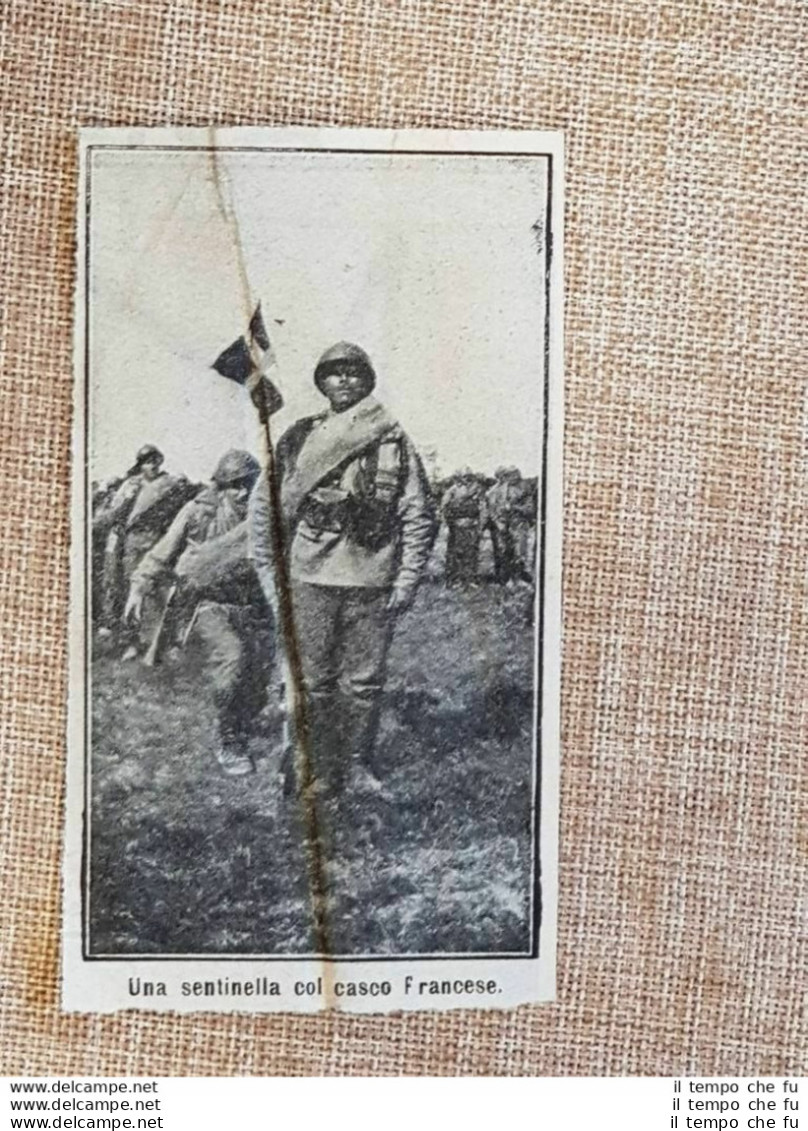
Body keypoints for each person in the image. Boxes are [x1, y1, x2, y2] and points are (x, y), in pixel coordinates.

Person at [250, 341, 436, 800]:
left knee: (364, 682)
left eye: (354, 372)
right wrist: (271, 576)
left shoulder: (390, 435)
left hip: (372, 578)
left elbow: (417, 512)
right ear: (322, 382)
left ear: (367, 379)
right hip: (310, 576)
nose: (345, 380)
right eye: (334, 373)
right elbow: (264, 507)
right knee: (313, 682)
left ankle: (356, 767)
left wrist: (407, 576)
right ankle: (316, 768)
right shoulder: (298, 438)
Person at [124, 450, 272, 777]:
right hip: (208, 604)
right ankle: (228, 740)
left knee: (258, 676)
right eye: (234, 486)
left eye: (249, 483)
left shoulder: (265, 515)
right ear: (220, 486)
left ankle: (240, 718)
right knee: (231, 658)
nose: (243, 492)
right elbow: (163, 551)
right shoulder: (198, 513)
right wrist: (138, 587)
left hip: (255, 604)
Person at [93, 444, 193, 656]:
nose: (152, 465)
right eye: (147, 462)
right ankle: (131, 640)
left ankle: (154, 641)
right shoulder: (131, 485)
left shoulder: (170, 483)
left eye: (155, 460)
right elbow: (116, 512)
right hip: (132, 541)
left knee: (154, 591)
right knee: (131, 588)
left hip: (157, 540)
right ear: (141, 465)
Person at [485, 466, 534, 584]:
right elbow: (492, 509)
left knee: (520, 552)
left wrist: (514, 507)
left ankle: (518, 577)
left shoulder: (524, 489)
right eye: (508, 476)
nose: (511, 478)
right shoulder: (497, 490)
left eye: (513, 475)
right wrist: (498, 522)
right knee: (505, 552)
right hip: (504, 525)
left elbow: (530, 508)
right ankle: (506, 578)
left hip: (519, 525)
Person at [440, 469, 486, 586]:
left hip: (472, 525)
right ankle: (455, 579)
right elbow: (444, 506)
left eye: (469, 476)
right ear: (460, 477)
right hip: (457, 526)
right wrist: (447, 523)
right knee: (456, 553)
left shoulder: (478, 489)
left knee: (472, 552)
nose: (467, 479)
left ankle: (470, 578)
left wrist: (482, 524)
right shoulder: (453, 489)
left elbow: (483, 507)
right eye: (465, 476)